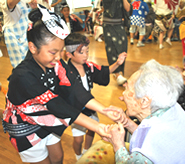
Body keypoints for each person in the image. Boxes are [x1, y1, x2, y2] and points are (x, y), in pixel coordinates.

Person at [2, 5, 126, 164]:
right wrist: (97, 127)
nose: (58, 58)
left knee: (58, 157)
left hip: (47, 118)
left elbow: (74, 88)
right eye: (53, 52)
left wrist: (105, 110)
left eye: (60, 51)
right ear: (32, 47)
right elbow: (57, 105)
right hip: (25, 128)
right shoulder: (23, 76)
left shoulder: (55, 64)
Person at [104, 59, 185, 163]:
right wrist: (127, 122)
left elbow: (147, 142)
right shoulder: (173, 107)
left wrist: (118, 145)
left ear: (144, 101)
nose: (123, 94)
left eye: (127, 88)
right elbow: (152, 137)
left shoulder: (143, 151)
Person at [64, 32, 127, 160]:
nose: (86, 55)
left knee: (92, 129)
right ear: (69, 54)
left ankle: (87, 150)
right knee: (77, 139)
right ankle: (78, 156)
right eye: (81, 52)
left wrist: (117, 63)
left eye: (87, 51)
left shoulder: (89, 66)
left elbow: (104, 72)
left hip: (90, 105)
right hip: (75, 110)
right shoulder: (65, 72)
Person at [0, 0, 37, 68]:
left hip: (29, 37)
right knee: (21, 67)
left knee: (32, 66)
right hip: (16, 38)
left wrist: (33, 7)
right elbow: (10, 4)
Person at [102, 0, 131, 86]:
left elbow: (128, 9)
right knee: (111, 49)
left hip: (119, 24)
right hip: (108, 24)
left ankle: (120, 72)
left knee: (123, 47)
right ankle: (117, 74)